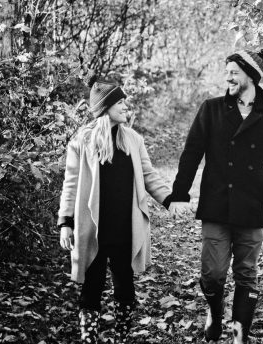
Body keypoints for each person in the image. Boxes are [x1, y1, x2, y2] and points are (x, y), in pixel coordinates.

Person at [163, 50, 263, 343]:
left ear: (250, 75)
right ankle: (215, 313)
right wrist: (179, 193)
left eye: (233, 71)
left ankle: (239, 336)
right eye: (227, 71)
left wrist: (261, 190)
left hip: (251, 208)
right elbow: (192, 153)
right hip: (216, 205)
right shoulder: (212, 109)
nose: (228, 77)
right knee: (213, 274)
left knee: (247, 274)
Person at [58, 78, 174, 343]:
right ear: (105, 107)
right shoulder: (81, 141)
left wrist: (169, 199)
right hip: (94, 229)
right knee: (92, 287)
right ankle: (89, 338)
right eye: (120, 102)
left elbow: (148, 175)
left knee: (125, 289)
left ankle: (121, 337)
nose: (125, 107)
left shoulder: (132, 139)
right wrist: (65, 221)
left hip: (125, 228)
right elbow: (71, 184)